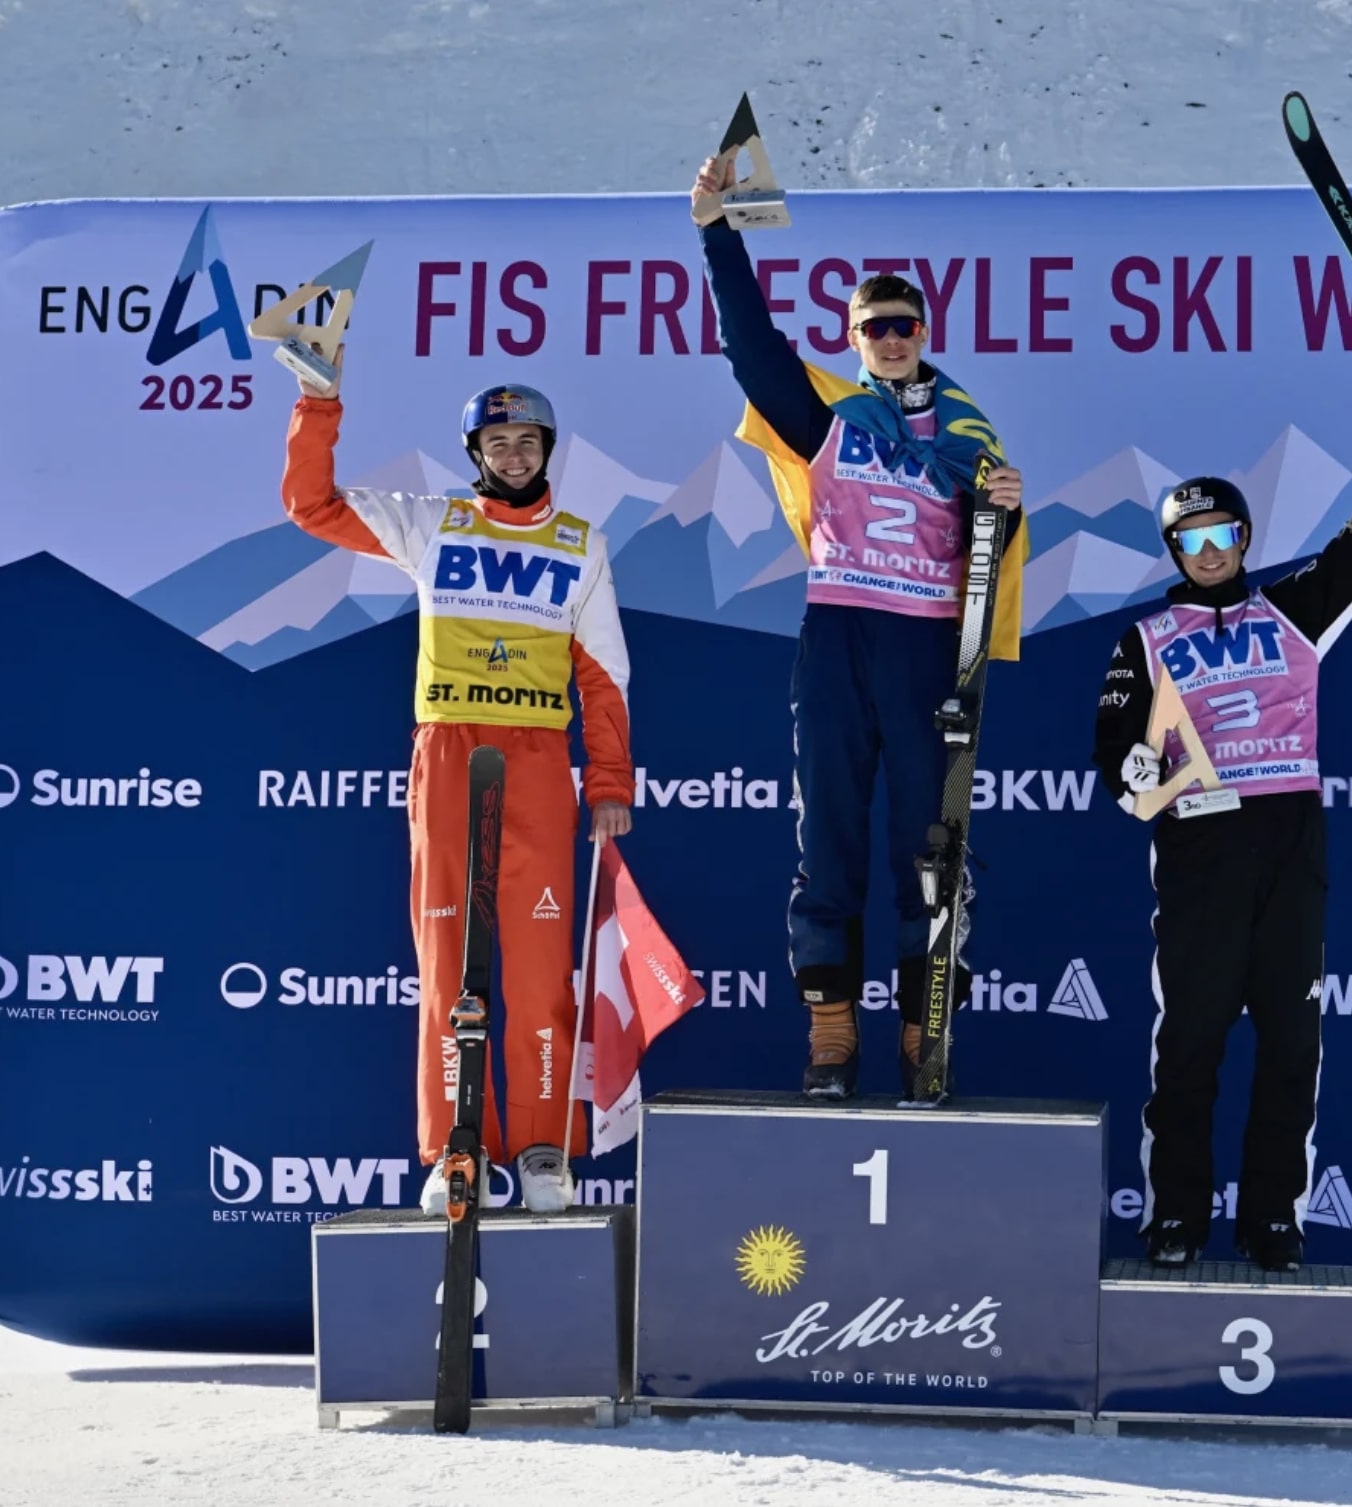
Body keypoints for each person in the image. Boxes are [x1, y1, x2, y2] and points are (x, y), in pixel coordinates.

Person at [1091, 348, 1352, 1271]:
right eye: (1193, 541)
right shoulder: (1146, 638)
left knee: (1292, 1047)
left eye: (1225, 536)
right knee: (1188, 1049)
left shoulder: (1294, 612)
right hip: (1198, 853)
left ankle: (1272, 1220)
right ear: (1173, 551)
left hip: (1289, 848)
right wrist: (1135, 765)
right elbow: (1115, 756)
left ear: (1246, 541)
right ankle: (1175, 1217)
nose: (1211, 552)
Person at [690, 153, 1028, 1099]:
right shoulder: (828, 418)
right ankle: (831, 1030)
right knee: (827, 836)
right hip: (839, 635)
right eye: (872, 328)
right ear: (853, 340)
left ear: (925, 334)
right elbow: (752, 350)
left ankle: (926, 1033)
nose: (888, 338)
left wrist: (1001, 502)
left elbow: (991, 554)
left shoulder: (969, 438)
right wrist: (716, 232)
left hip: (925, 650)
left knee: (934, 845)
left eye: (903, 326)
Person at [281, 352, 635, 1215]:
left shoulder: (579, 540)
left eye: (526, 441)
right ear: (476, 451)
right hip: (449, 753)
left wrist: (609, 780)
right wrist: (319, 403)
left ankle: (547, 1147)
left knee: (545, 971)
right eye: (497, 441)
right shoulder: (430, 523)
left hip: (541, 761)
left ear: (546, 447)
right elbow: (312, 505)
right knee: (448, 966)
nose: (513, 455)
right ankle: (453, 1148)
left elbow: (604, 674)